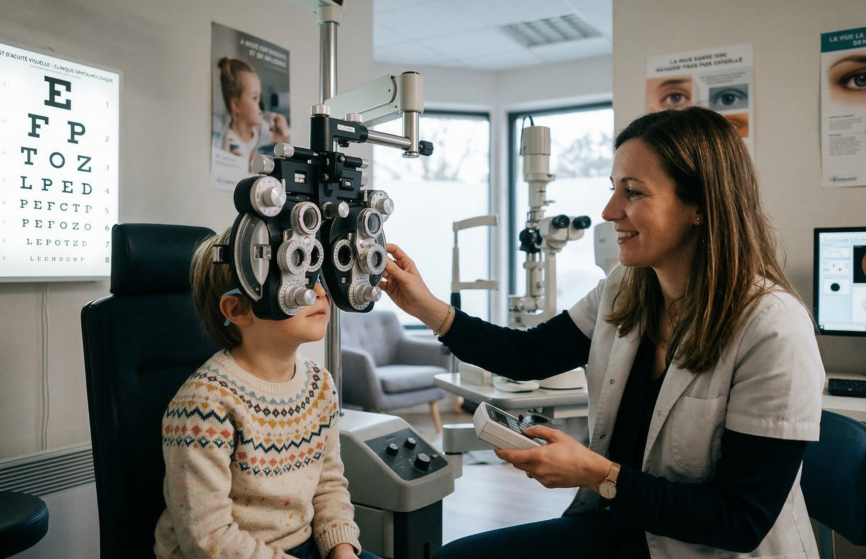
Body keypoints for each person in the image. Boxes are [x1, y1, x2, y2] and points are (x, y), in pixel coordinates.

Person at [381, 106, 826, 558]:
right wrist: (426, 306)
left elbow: (740, 521)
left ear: (700, 206)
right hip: (623, 530)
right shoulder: (625, 290)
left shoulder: (772, 328)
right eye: (613, 190)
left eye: (632, 192)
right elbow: (528, 355)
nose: (610, 211)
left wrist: (599, 474)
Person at [153, 228, 378, 559]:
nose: (319, 292)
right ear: (237, 310)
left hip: (305, 547)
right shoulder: (204, 404)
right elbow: (207, 538)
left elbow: (327, 484)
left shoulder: (320, 384)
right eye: (294, 281)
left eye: (318, 275)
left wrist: (342, 551)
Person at [217, 56, 291, 160]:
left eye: (259, 98)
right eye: (254, 98)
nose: (261, 106)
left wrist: (284, 132)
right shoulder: (230, 144)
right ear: (236, 105)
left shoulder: (259, 129)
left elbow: (283, 140)